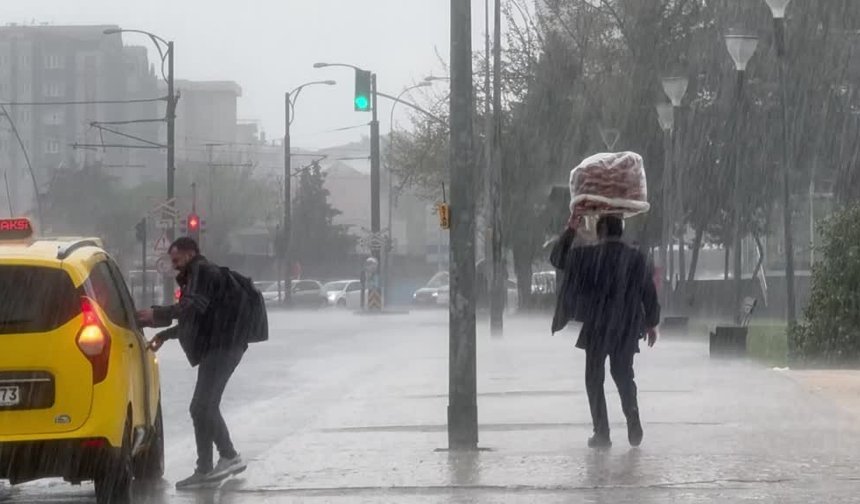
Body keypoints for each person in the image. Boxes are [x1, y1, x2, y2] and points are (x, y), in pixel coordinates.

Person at [137, 237, 248, 489]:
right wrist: (165, 334)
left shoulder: (200, 271)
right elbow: (196, 317)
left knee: (201, 407)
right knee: (204, 407)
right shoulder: (199, 274)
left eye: (176, 260)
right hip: (222, 345)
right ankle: (208, 468)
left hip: (223, 346)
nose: (175, 266)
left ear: (189, 254)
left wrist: (158, 314)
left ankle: (226, 457)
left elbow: (191, 307)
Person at [550, 214, 660, 449]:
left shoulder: (588, 257)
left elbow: (557, 258)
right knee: (623, 375)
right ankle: (633, 420)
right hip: (626, 327)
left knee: (594, 379)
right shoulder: (636, 258)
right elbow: (648, 292)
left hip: (598, 326)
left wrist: (571, 229)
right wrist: (651, 323)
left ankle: (602, 432)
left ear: (599, 232)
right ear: (621, 231)